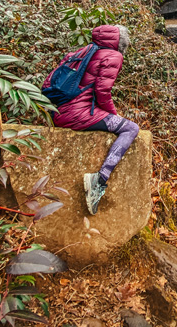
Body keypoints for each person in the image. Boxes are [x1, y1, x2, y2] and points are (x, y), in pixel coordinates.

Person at [42, 25, 139, 215]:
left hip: (57, 111)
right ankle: (99, 180)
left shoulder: (85, 50)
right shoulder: (113, 56)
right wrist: (115, 114)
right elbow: (102, 92)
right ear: (120, 42)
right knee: (131, 129)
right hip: (77, 114)